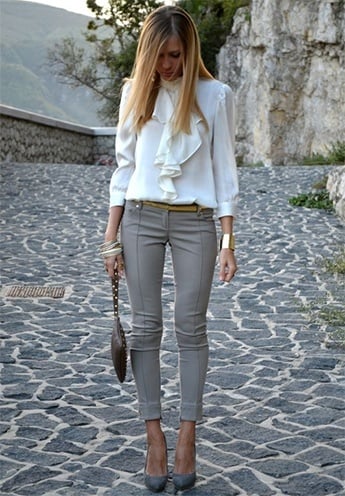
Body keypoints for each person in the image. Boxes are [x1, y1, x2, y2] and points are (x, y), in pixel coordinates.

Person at [103, 5, 238, 493]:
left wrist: (228, 241)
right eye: (158, 56)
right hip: (139, 218)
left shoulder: (215, 96)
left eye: (176, 55)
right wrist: (110, 238)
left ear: (190, 50)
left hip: (197, 223)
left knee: (190, 327)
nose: (167, 66)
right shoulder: (134, 92)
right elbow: (122, 169)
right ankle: (154, 437)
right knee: (145, 329)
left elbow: (225, 172)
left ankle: (187, 437)